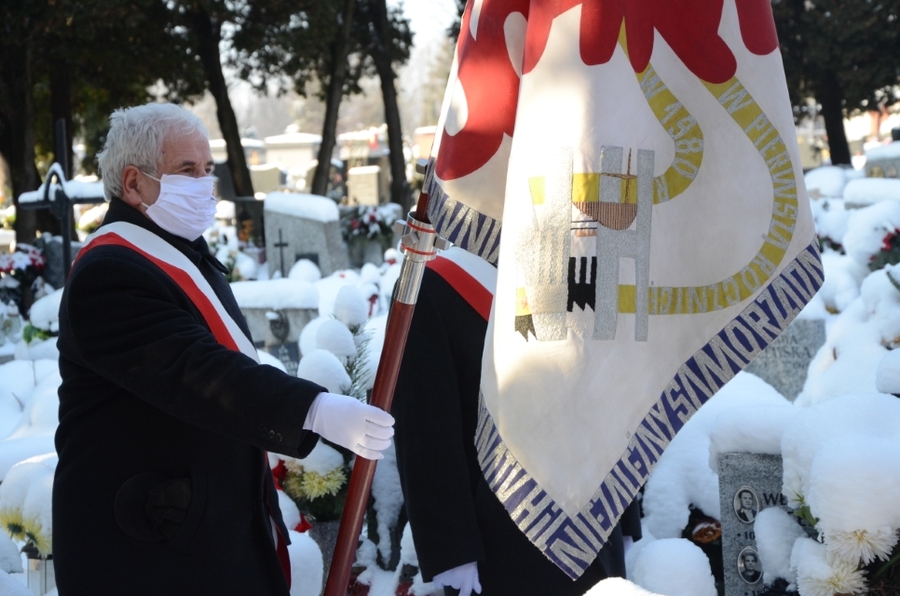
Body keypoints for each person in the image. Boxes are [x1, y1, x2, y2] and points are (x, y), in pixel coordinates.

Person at [53, 102, 394, 595]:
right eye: (187, 170)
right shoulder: (111, 273)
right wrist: (312, 409)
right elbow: (194, 370)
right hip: (149, 549)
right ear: (133, 184)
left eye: (208, 169)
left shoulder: (179, 253)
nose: (204, 184)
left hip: (197, 536)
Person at [392, 246, 641, 595]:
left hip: (594, 526)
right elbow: (426, 427)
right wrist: (451, 551)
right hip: (499, 540)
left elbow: (605, 396)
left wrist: (623, 512)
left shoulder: (575, 264)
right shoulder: (435, 283)